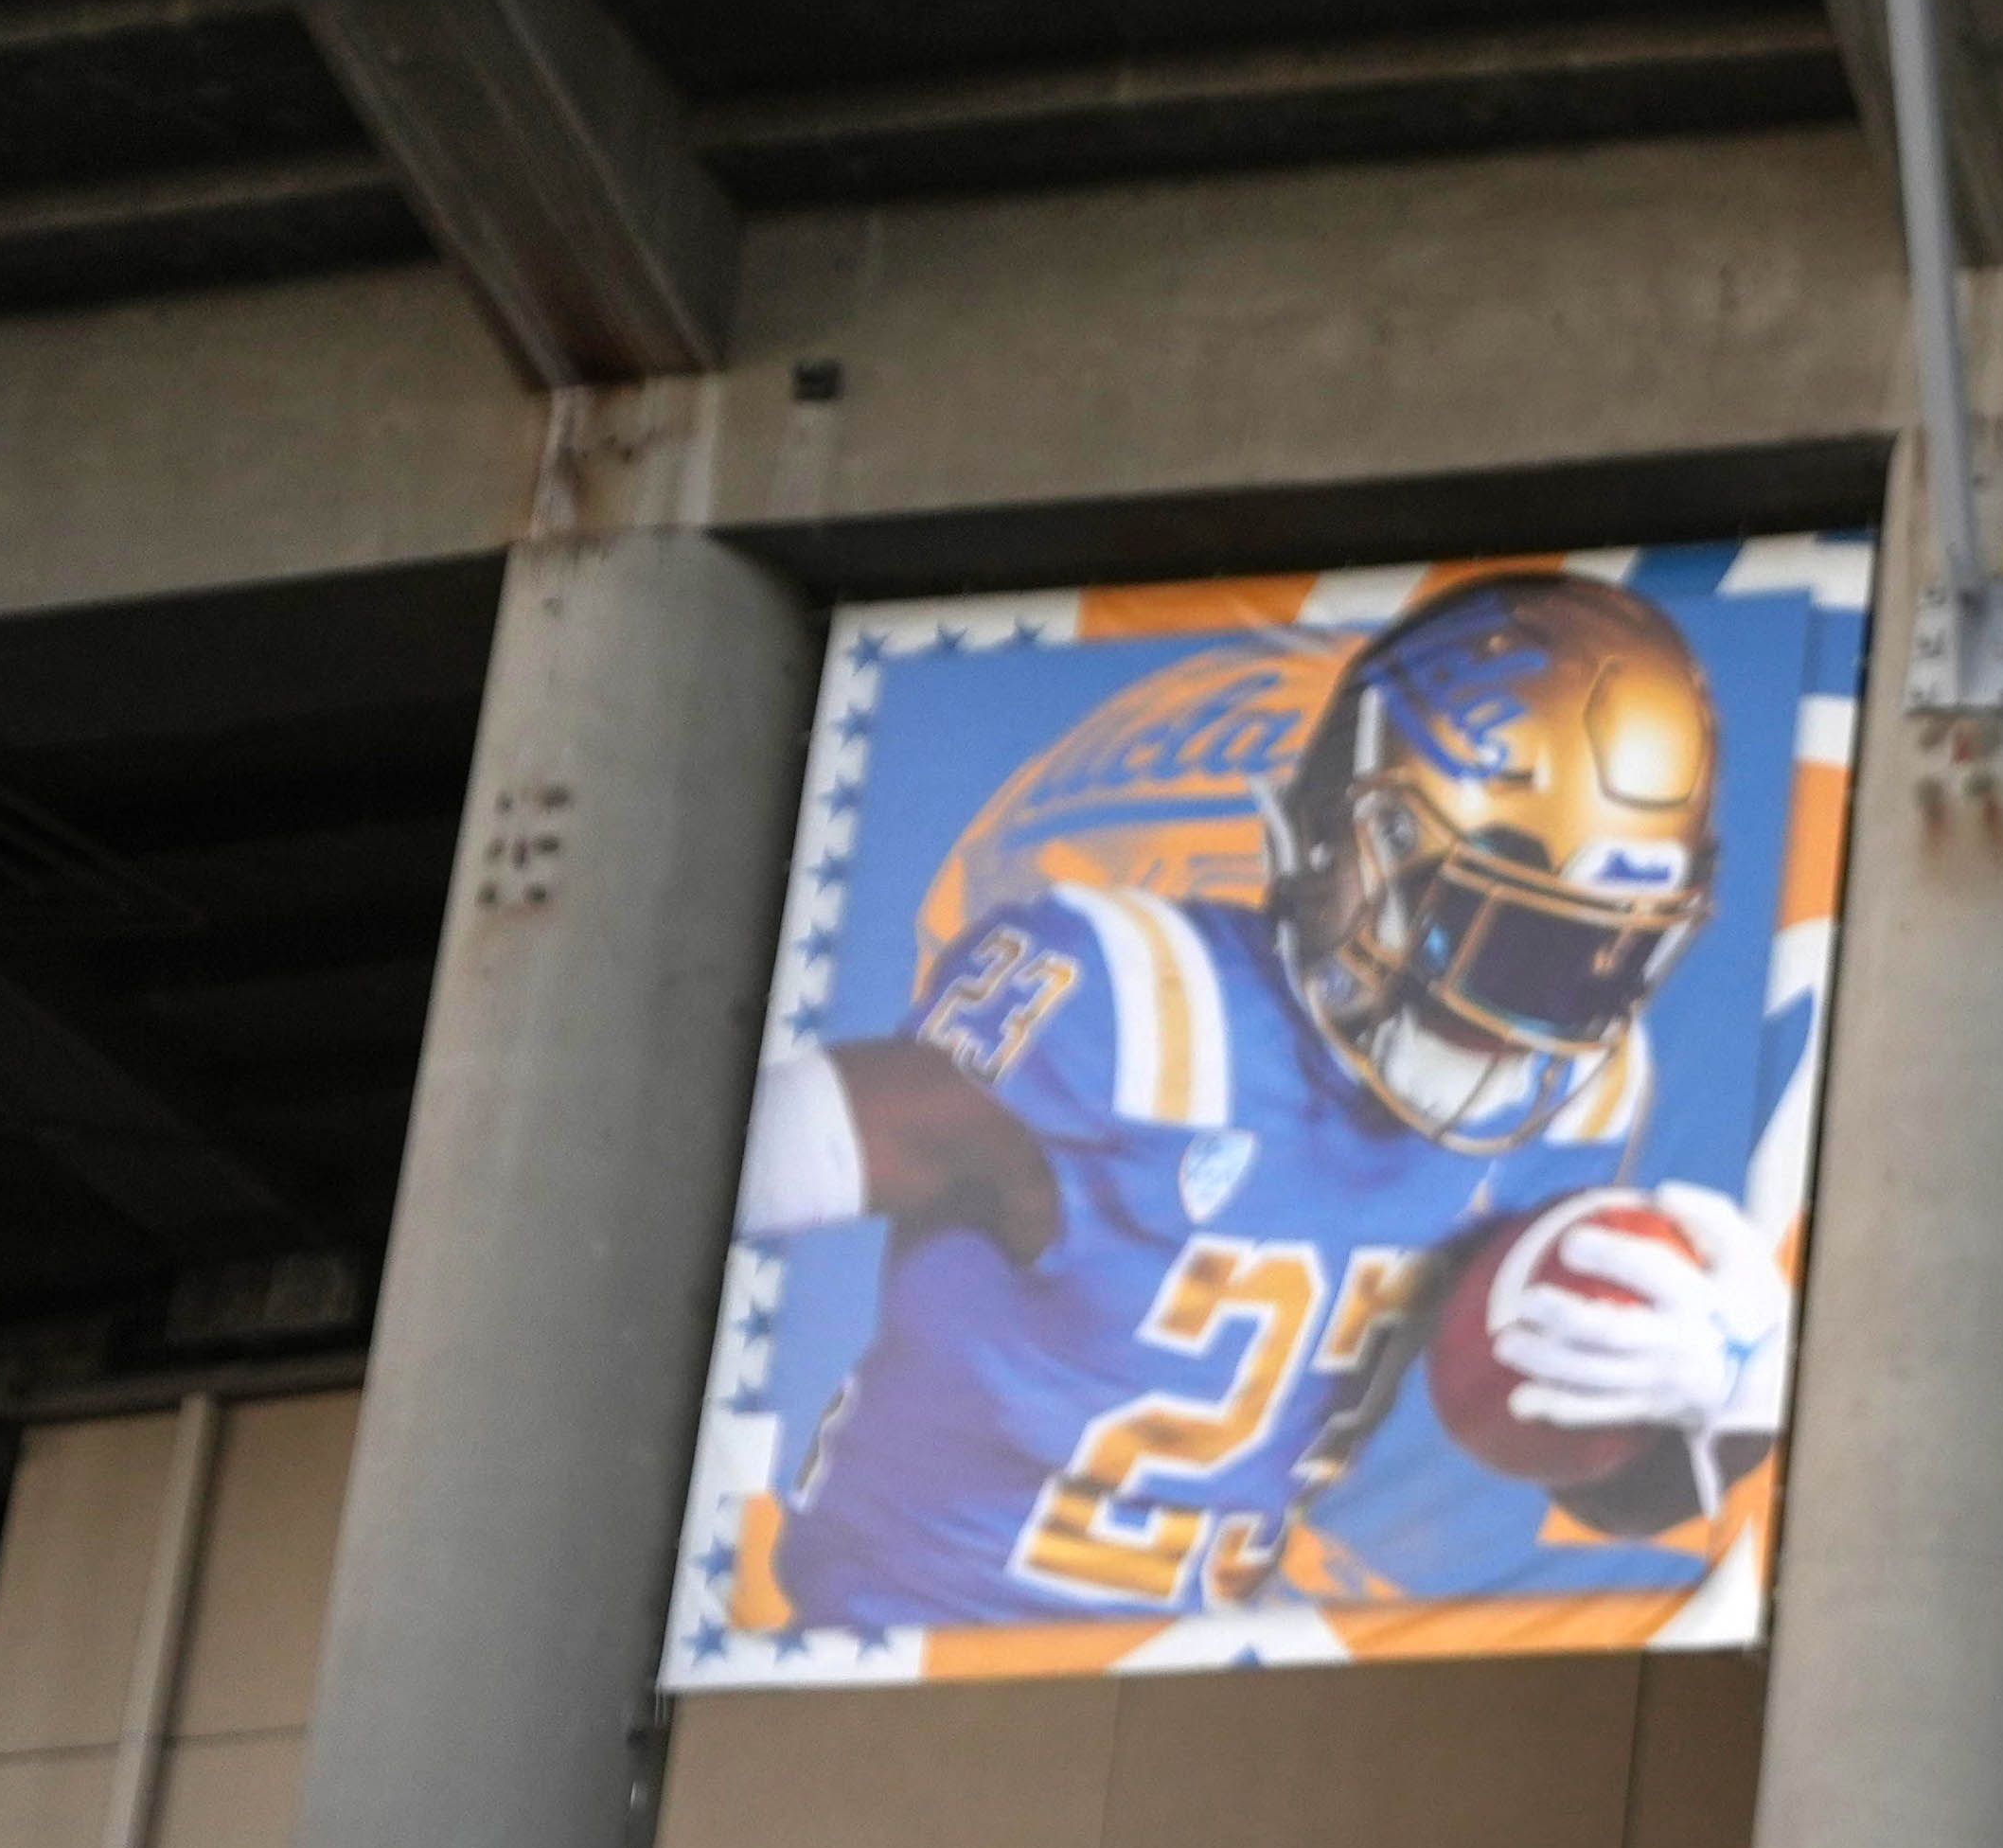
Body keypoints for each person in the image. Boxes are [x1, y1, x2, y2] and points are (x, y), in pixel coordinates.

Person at [725, 571, 1786, 1638]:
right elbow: (726, 1163)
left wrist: (1723, 1411)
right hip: (904, 1640)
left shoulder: (1586, 1098)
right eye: (1497, 935)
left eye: (1595, 959)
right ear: (1362, 848)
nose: (1527, 1022)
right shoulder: (1140, 1012)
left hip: (1191, 1660)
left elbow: (1565, 1460)